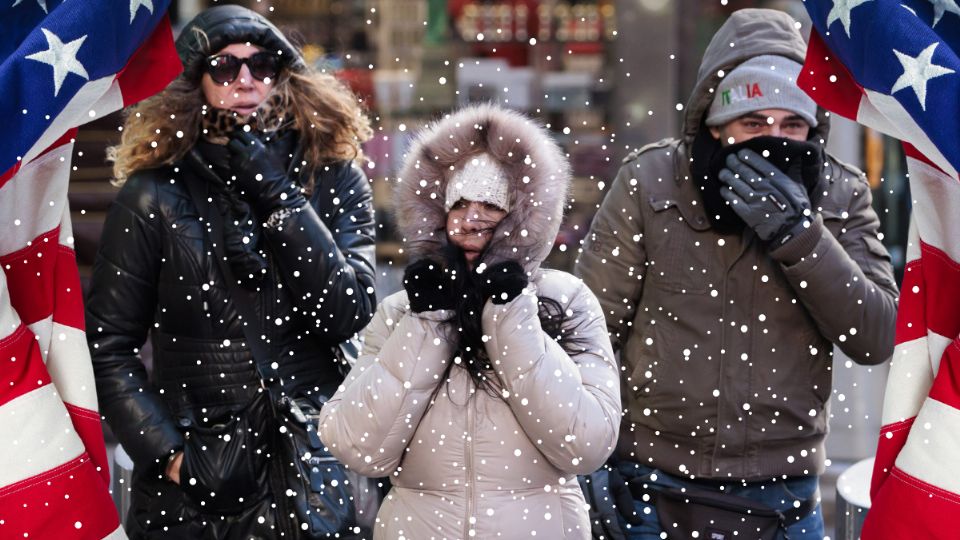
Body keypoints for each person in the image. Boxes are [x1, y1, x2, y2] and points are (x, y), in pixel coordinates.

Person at [575, 8, 898, 540]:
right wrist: (585, 455)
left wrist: (801, 235)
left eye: (792, 125)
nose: (773, 140)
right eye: (753, 124)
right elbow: (589, 333)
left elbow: (874, 335)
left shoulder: (838, 193)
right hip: (651, 486)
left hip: (787, 492)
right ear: (714, 124)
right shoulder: (652, 181)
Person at [85, 5, 377, 539]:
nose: (244, 79)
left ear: (282, 75)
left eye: (261, 64)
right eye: (224, 66)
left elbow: (347, 312)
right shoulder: (152, 195)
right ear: (196, 81)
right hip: (200, 480)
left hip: (316, 471)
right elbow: (109, 346)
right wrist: (171, 456)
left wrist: (278, 195)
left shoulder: (334, 179)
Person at [317, 103, 622, 539]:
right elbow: (359, 446)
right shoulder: (402, 312)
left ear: (522, 217)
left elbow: (584, 443)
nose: (471, 220)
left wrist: (509, 312)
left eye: (491, 205)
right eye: (458, 204)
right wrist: (429, 321)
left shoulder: (566, 301)